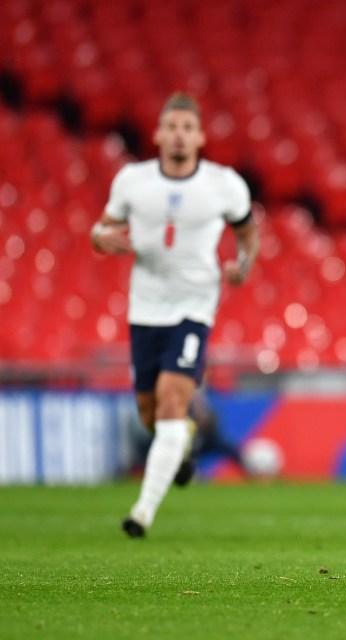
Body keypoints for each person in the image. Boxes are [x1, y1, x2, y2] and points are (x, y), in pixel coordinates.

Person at [91, 92, 259, 538]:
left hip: (194, 304)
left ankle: (142, 512)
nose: (180, 135)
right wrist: (99, 236)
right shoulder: (133, 180)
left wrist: (242, 265)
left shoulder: (223, 183)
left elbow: (247, 230)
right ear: (158, 134)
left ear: (200, 136)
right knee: (150, 413)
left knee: (169, 400)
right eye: (172, 127)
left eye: (188, 127)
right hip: (145, 306)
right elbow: (103, 226)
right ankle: (179, 441)